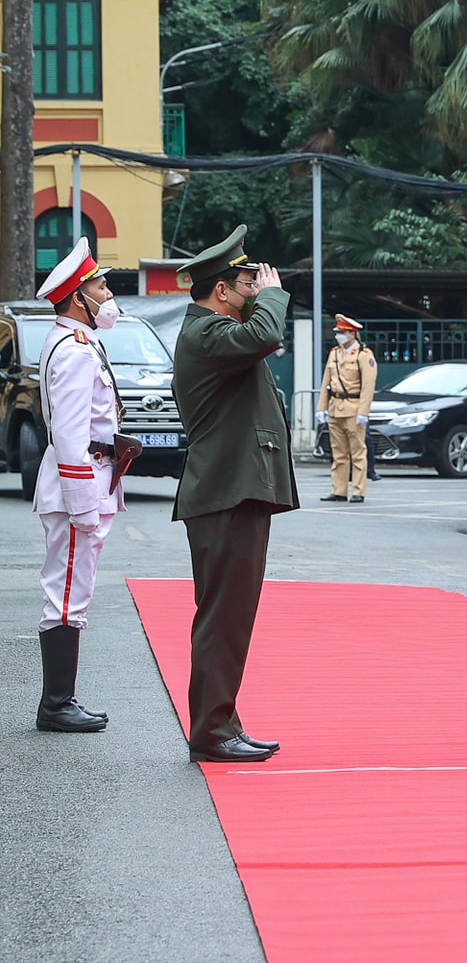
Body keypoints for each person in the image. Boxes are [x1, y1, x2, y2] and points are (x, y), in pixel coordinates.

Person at [171, 226, 296, 763]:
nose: (256, 288)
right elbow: (265, 335)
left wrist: (262, 300)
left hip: (233, 492)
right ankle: (212, 731)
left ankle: (221, 722)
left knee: (230, 615)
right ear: (221, 290)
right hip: (224, 493)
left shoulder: (219, 333)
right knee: (223, 616)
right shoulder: (206, 334)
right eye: (247, 282)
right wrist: (273, 297)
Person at [30, 239, 122, 733]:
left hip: (87, 480)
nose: (108, 294)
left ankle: (61, 700)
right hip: (76, 486)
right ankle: (56, 704)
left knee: (73, 590)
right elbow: (68, 435)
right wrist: (84, 502)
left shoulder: (80, 343)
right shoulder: (73, 350)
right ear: (76, 297)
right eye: (100, 286)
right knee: (66, 593)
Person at [318, 313, 377, 503]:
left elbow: (368, 386)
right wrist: (321, 407)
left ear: (352, 334)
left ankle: (358, 491)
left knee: (358, 453)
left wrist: (363, 412)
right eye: (338, 332)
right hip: (335, 409)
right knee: (338, 453)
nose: (338, 335)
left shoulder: (363, 355)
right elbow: (326, 381)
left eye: (342, 332)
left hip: (353, 409)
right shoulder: (334, 353)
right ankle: (339, 490)